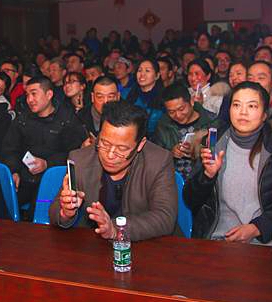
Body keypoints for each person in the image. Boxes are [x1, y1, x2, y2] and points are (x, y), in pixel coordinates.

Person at [184, 82, 272, 242]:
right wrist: (207, 176)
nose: (243, 112)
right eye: (236, 105)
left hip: (263, 243)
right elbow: (190, 200)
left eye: (252, 106)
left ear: (264, 114)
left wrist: (258, 228)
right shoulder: (212, 144)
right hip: (217, 240)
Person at [50, 101, 177, 241]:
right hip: (94, 244)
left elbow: (165, 217)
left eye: (121, 149)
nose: (110, 155)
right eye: (104, 143)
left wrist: (116, 229)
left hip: (146, 244)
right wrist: (66, 212)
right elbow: (55, 212)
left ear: (140, 144)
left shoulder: (159, 161)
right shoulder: (80, 159)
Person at [0, 76, 87, 212]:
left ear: (49, 94)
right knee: (1, 206)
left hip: (54, 180)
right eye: (27, 95)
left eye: (34, 94)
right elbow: (10, 148)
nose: (29, 100)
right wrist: (13, 170)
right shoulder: (22, 119)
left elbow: (74, 153)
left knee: (39, 210)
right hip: (24, 177)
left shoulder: (66, 119)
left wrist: (47, 163)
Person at [153, 83, 217, 180]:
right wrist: (171, 153)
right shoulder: (163, 125)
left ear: (191, 101)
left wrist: (198, 151)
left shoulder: (210, 122)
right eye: (171, 112)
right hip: (172, 181)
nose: (178, 115)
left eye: (181, 109)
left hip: (202, 181)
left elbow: (218, 155)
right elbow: (155, 158)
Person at [126, 59, 164, 136]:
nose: (142, 74)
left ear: (157, 76)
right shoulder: (127, 94)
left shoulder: (164, 98)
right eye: (139, 70)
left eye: (147, 71)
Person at [77, 76, 120, 143]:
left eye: (110, 97)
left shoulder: (129, 118)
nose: (105, 101)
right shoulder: (79, 118)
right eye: (100, 97)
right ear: (92, 97)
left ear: (118, 97)